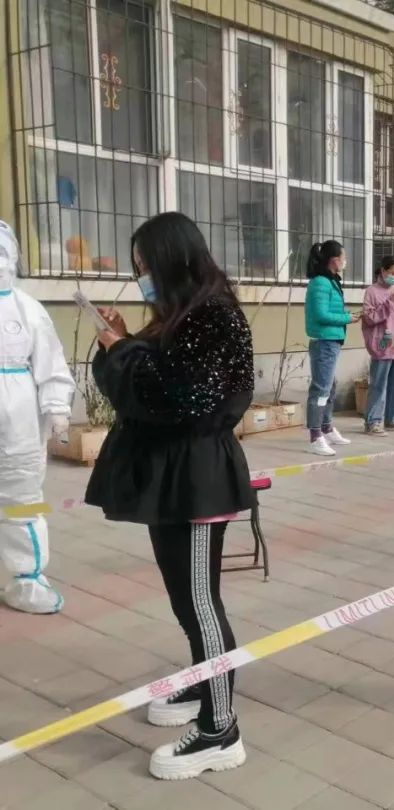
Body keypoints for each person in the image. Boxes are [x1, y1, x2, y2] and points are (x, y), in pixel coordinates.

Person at [85, 212, 254, 779]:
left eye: (145, 266)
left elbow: (181, 397)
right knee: (186, 601)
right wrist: (122, 342)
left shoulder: (216, 317)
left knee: (202, 603)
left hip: (200, 478)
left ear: (172, 260)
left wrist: (123, 350)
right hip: (171, 477)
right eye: (136, 268)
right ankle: (205, 686)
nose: (141, 277)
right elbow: (138, 389)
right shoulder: (179, 315)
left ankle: (220, 729)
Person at [0, 220, 74, 614]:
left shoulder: (28, 309)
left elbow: (51, 363)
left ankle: (27, 578)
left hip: (20, 421)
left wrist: (57, 407)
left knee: (22, 497)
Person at [304, 240, 360, 455]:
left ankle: (326, 427)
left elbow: (330, 311)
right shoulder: (320, 282)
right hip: (324, 342)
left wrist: (347, 316)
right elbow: (321, 314)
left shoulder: (330, 281)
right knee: (321, 389)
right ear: (334, 260)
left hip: (332, 341)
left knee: (330, 385)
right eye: (344, 258)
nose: (345, 261)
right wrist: (346, 318)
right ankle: (315, 435)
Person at [362, 256, 394, 435]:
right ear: (383, 271)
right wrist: (391, 302)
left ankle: (392, 419)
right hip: (383, 344)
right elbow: (370, 318)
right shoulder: (372, 292)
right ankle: (373, 421)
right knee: (378, 384)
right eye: (393, 273)